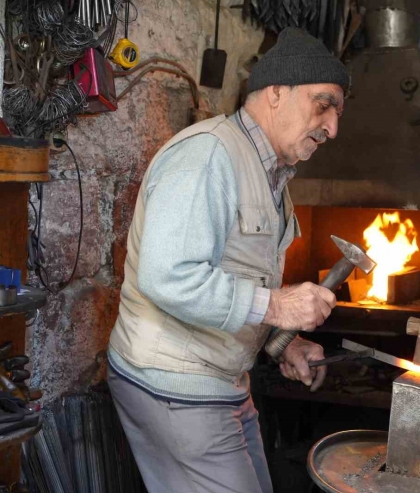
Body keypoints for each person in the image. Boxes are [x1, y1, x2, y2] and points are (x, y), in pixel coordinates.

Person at [106, 27, 349, 493]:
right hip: (175, 385)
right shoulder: (207, 156)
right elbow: (168, 277)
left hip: (223, 383)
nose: (333, 127)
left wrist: (282, 344)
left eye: (338, 112)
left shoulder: (271, 174)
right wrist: (279, 307)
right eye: (324, 104)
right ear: (276, 93)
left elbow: (236, 278)